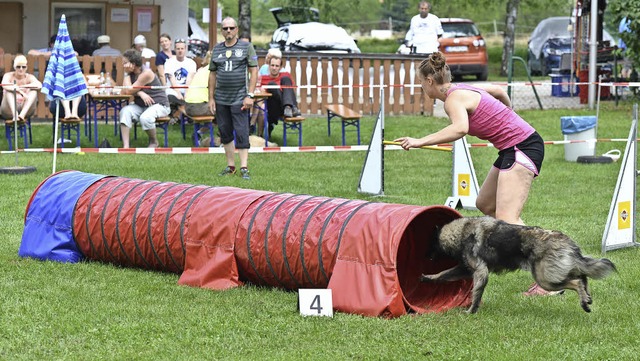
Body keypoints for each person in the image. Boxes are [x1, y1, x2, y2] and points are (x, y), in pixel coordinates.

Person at [393, 52, 557, 297]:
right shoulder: (462, 88)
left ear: (429, 82)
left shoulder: (452, 100)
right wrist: (508, 117)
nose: (421, 88)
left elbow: (460, 128)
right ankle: (543, 244)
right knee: (485, 204)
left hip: (523, 147)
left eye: (420, 83)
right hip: (511, 147)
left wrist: (419, 141)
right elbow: (499, 92)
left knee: (507, 219)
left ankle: (550, 274)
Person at [208, 17, 258, 180]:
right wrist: (211, 98)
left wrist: (250, 95)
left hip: (240, 98)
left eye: (231, 28)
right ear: (221, 31)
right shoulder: (216, 49)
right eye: (225, 28)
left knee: (242, 132)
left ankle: (244, 167)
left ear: (236, 29)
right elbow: (212, 74)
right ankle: (231, 167)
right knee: (225, 132)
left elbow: (254, 71)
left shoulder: (246, 47)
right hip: (221, 99)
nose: (228, 31)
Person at [119, 49, 170, 148]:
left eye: (125, 63)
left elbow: (129, 91)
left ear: (133, 64)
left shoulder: (146, 73)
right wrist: (140, 92)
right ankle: (126, 146)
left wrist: (126, 75)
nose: (123, 65)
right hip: (141, 105)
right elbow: (125, 91)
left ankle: (154, 142)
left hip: (159, 105)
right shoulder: (131, 74)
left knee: (145, 118)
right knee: (124, 112)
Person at [257, 54, 300, 138]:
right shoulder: (262, 78)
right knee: (271, 84)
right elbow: (257, 94)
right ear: (268, 66)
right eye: (272, 65)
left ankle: (287, 107)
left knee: (286, 78)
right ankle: (289, 107)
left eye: (277, 66)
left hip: (287, 111)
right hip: (272, 108)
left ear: (280, 67)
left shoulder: (286, 75)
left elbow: (291, 92)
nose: (274, 68)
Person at [0, 55, 42, 121]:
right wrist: (20, 91)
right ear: (14, 67)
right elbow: (4, 84)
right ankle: (15, 114)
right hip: (9, 110)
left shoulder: (29, 77)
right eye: (18, 66)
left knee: (33, 91)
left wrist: (22, 86)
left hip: (25, 108)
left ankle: (21, 115)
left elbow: (39, 85)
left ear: (26, 67)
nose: (21, 69)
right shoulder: (8, 75)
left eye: (23, 67)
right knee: (8, 91)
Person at [164, 38, 196, 120]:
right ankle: (183, 109)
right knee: (169, 95)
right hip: (173, 90)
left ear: (185, 49)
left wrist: (186, 93)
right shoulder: (169, 62)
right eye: (178, 49)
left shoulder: (191, 62)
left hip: (187, 88)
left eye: (182, 48)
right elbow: (171, 79)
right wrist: (178, 93)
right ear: (175, 49)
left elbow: (190, 78)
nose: (180, 51)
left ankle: (178, 112)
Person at [184, 51, 213, 117]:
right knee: (225, 108)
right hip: (198, 107)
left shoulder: (202, 70)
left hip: (188, 106)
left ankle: (207, 126)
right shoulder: (213, 71)